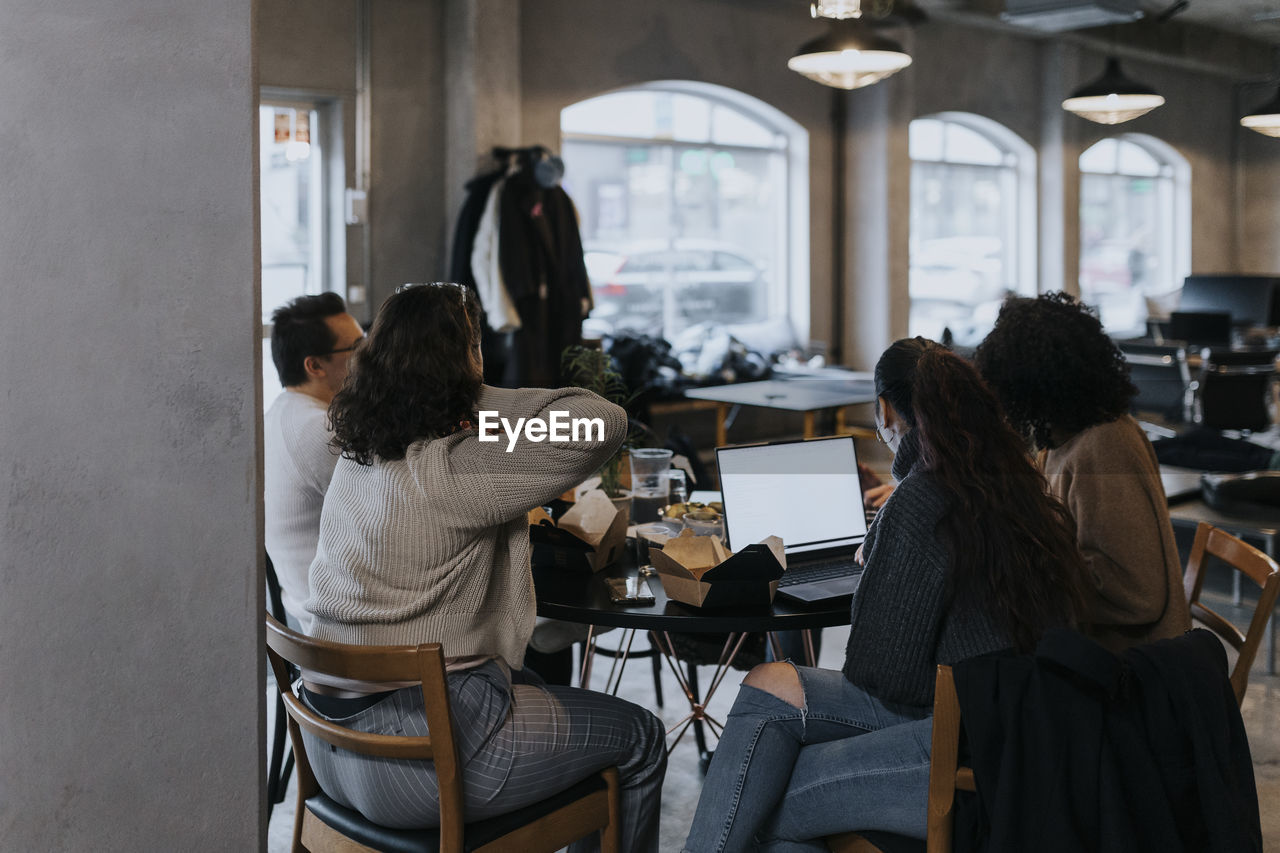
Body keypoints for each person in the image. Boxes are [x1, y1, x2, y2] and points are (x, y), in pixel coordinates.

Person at [682, 338, 1087, 851]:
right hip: (1028, 724)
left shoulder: (920, 502)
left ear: (887, 411)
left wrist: (881, 563)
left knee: (761, 798)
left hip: (968, 750)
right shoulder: (1012, 481)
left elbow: (882, 676)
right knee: (769, 683)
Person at [303, 282, 666, 851]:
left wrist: (448, 400)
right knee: (640, 736)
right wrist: (471, 396)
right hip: (415, 764)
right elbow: (604, 421)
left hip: (330, 747)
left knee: (530, 684)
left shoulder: (359, 457)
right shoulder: (456, 467)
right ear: (465, 362)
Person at [974, 292, 1191, 653]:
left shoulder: (1103, 446)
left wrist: (1029, 573)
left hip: (1128, 673)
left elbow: (1136, 594)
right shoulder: (1061, 436)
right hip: (1091, 652)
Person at [264, 292, 364, 630]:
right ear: (315, 365)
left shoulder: (284, 410)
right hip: (344, 634)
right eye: (357, 348)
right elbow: (406, 509)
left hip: (316, 615)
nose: (369, 357)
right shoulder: (318, 430)